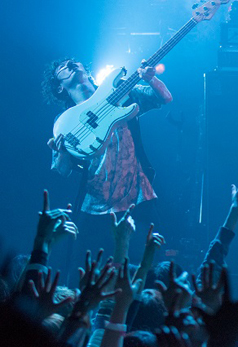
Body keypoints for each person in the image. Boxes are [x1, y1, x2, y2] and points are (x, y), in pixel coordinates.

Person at [42, 58, 172, 256]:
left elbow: (164, 97)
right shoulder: (64, 122)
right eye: (62, 67)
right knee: (93, 266)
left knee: (147, 260)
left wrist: (151, 79)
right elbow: (62, 170)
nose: (70, 64)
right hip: (96, 205)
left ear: (86, 71)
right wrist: (62, 152)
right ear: (59, 88)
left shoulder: (118, 90)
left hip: (138, 195)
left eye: (73, 62)